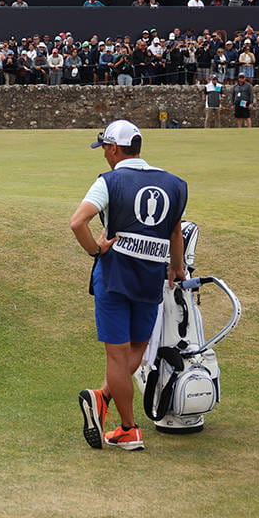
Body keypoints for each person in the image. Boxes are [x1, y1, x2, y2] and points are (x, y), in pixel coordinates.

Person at [70, 120, 187, 452]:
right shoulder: (174, 183)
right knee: (138, 346)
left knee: (118, 355)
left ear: (113, 149)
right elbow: (175, 231)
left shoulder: (109, 181)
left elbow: (78, 222)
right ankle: (102, 397)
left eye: (105, 149)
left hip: (114, 277)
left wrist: (95, 249)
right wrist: (176, 266)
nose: (104, 155)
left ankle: (128, 428)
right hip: (151, 278)